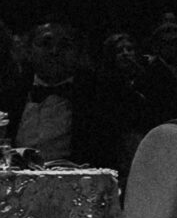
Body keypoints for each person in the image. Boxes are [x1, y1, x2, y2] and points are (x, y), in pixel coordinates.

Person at [2, 17, 136, 168]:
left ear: (78, 52)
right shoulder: (11, 94)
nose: (54, 51)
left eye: (65, 45)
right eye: (45, 44)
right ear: (29, 51)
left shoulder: (102, 96)